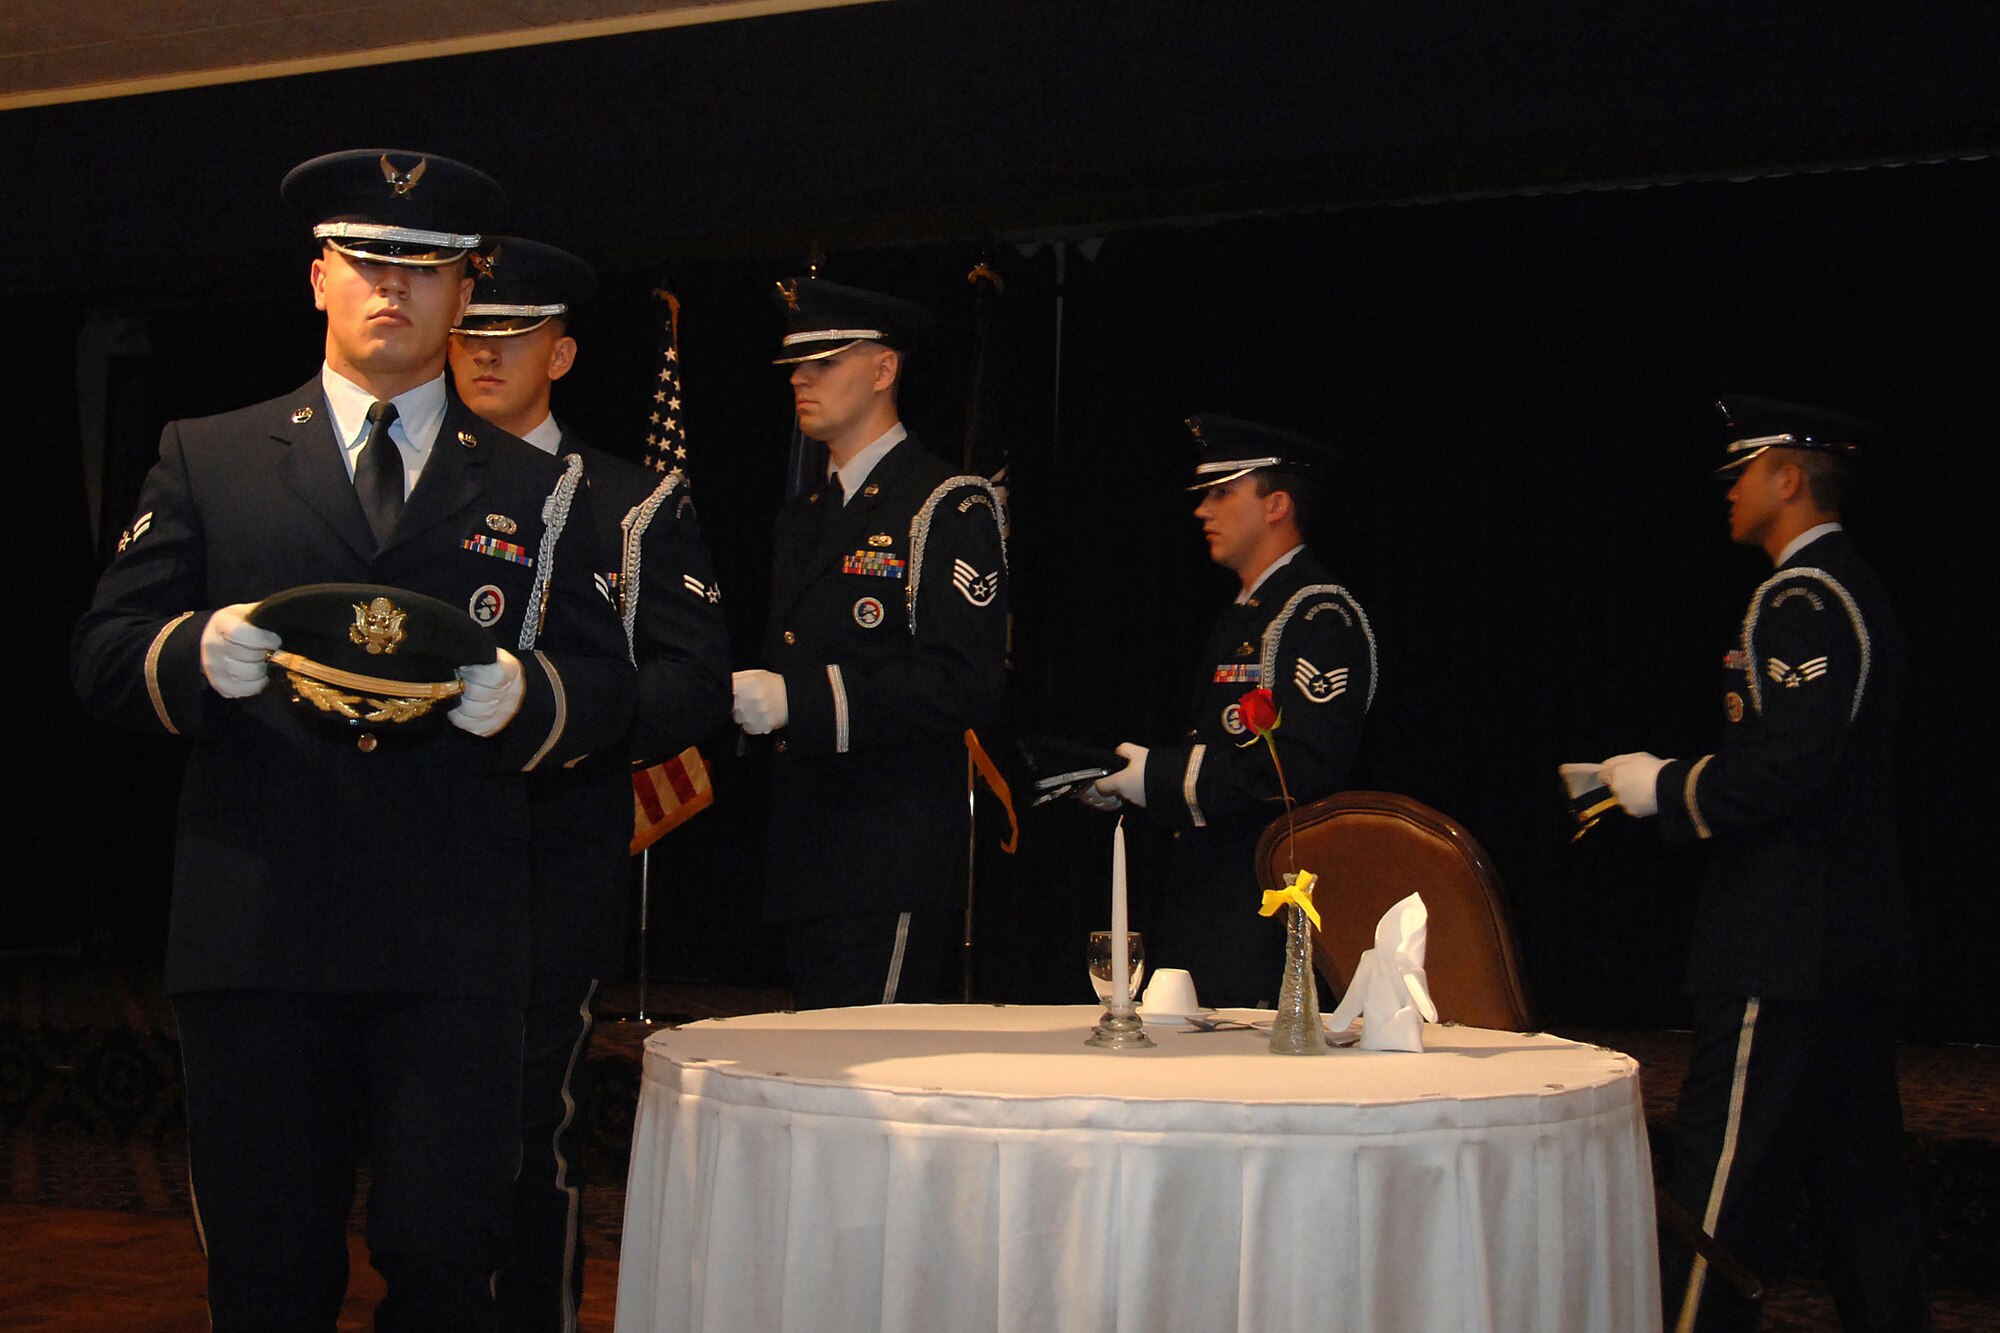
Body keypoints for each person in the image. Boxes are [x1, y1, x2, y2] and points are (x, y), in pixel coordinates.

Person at [70, 150, 634, 1332]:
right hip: (259, 930)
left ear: (464, 291)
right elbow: (104, 653)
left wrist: (532, 699)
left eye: (427, 269)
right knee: (267, 1271)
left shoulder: (540, 489)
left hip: (453, 940)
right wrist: (191, 651)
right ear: (317, 276)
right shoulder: (208, 455)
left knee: (446, 1256)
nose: (395, 289)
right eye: (369, 262)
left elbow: (613, 683)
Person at [1598, 397, 1928, 1332]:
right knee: (1865, 1198)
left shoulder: (1801, 597)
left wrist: (1666, 785)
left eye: (1743, 471)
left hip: (1783, 943)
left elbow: (1793, 765)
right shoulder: (1851, 587)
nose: (1730, 491)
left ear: (1788, 476)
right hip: (1847, 941)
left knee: (1719, 1192)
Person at [449, 237, 730, 1333]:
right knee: (420, 1135)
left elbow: (693, 682)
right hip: (407, 856)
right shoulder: (410, 486)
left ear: (559, 353)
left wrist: (558, 712)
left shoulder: (630, 503)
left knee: (526, 1129)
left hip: (551, 856)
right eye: (469, 333)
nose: (482, 356)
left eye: (509, 338)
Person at [730, 278, 1008, 1009]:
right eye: (796, 363)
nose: (800, 378)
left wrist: (800, 700)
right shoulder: (803, 517)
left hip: (888, 851)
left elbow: (962, 681)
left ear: (883, 370)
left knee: (865, 1083)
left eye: (824, 361)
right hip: (807, 849)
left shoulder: (945, 502)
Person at [1089, 416, 1375, 1006]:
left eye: (1222, 493)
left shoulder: (1318, 616)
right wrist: (1130, 783)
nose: (1203, 510)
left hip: (1268, 913)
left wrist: (1162, 778)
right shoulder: (1246, 613)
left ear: (1276, 505)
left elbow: (1306, 768)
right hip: (1210, 895)